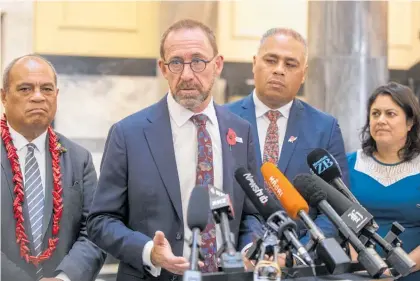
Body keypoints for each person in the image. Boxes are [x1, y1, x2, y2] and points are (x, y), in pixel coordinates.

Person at [87, 19, 262, 281]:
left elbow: (252, 213)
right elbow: (101, 221)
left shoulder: (241, 132)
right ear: (163, 68)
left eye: (198, 61)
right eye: (176, 62)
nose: (188, 74)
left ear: (218, 65)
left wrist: (249, 249)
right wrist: (149, 252)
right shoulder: (129, 134)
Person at [226, 28, 348, 240]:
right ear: (254, 63)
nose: (279, 70)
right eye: (271, 60)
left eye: (290, 64)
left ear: (304, 74)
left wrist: (301, 253)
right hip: (237, 255)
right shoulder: (223, 119)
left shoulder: (325, 128)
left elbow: (336, 207)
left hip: (303, 260)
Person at [1, 55, 106, 281]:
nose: (38, 97)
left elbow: (95, 231)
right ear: (3, 96)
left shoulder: (79, 159)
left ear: (56, 96)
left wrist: (64, 278)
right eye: (25, 89)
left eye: (47, 89)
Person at [347, 82, 420, 281]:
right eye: (375, 113)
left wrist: (395, 272)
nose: (381, 120)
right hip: (359, 274)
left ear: (410, 122)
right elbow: (341, 222)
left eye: (390, 114)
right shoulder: (350, 164)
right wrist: (365, 268)